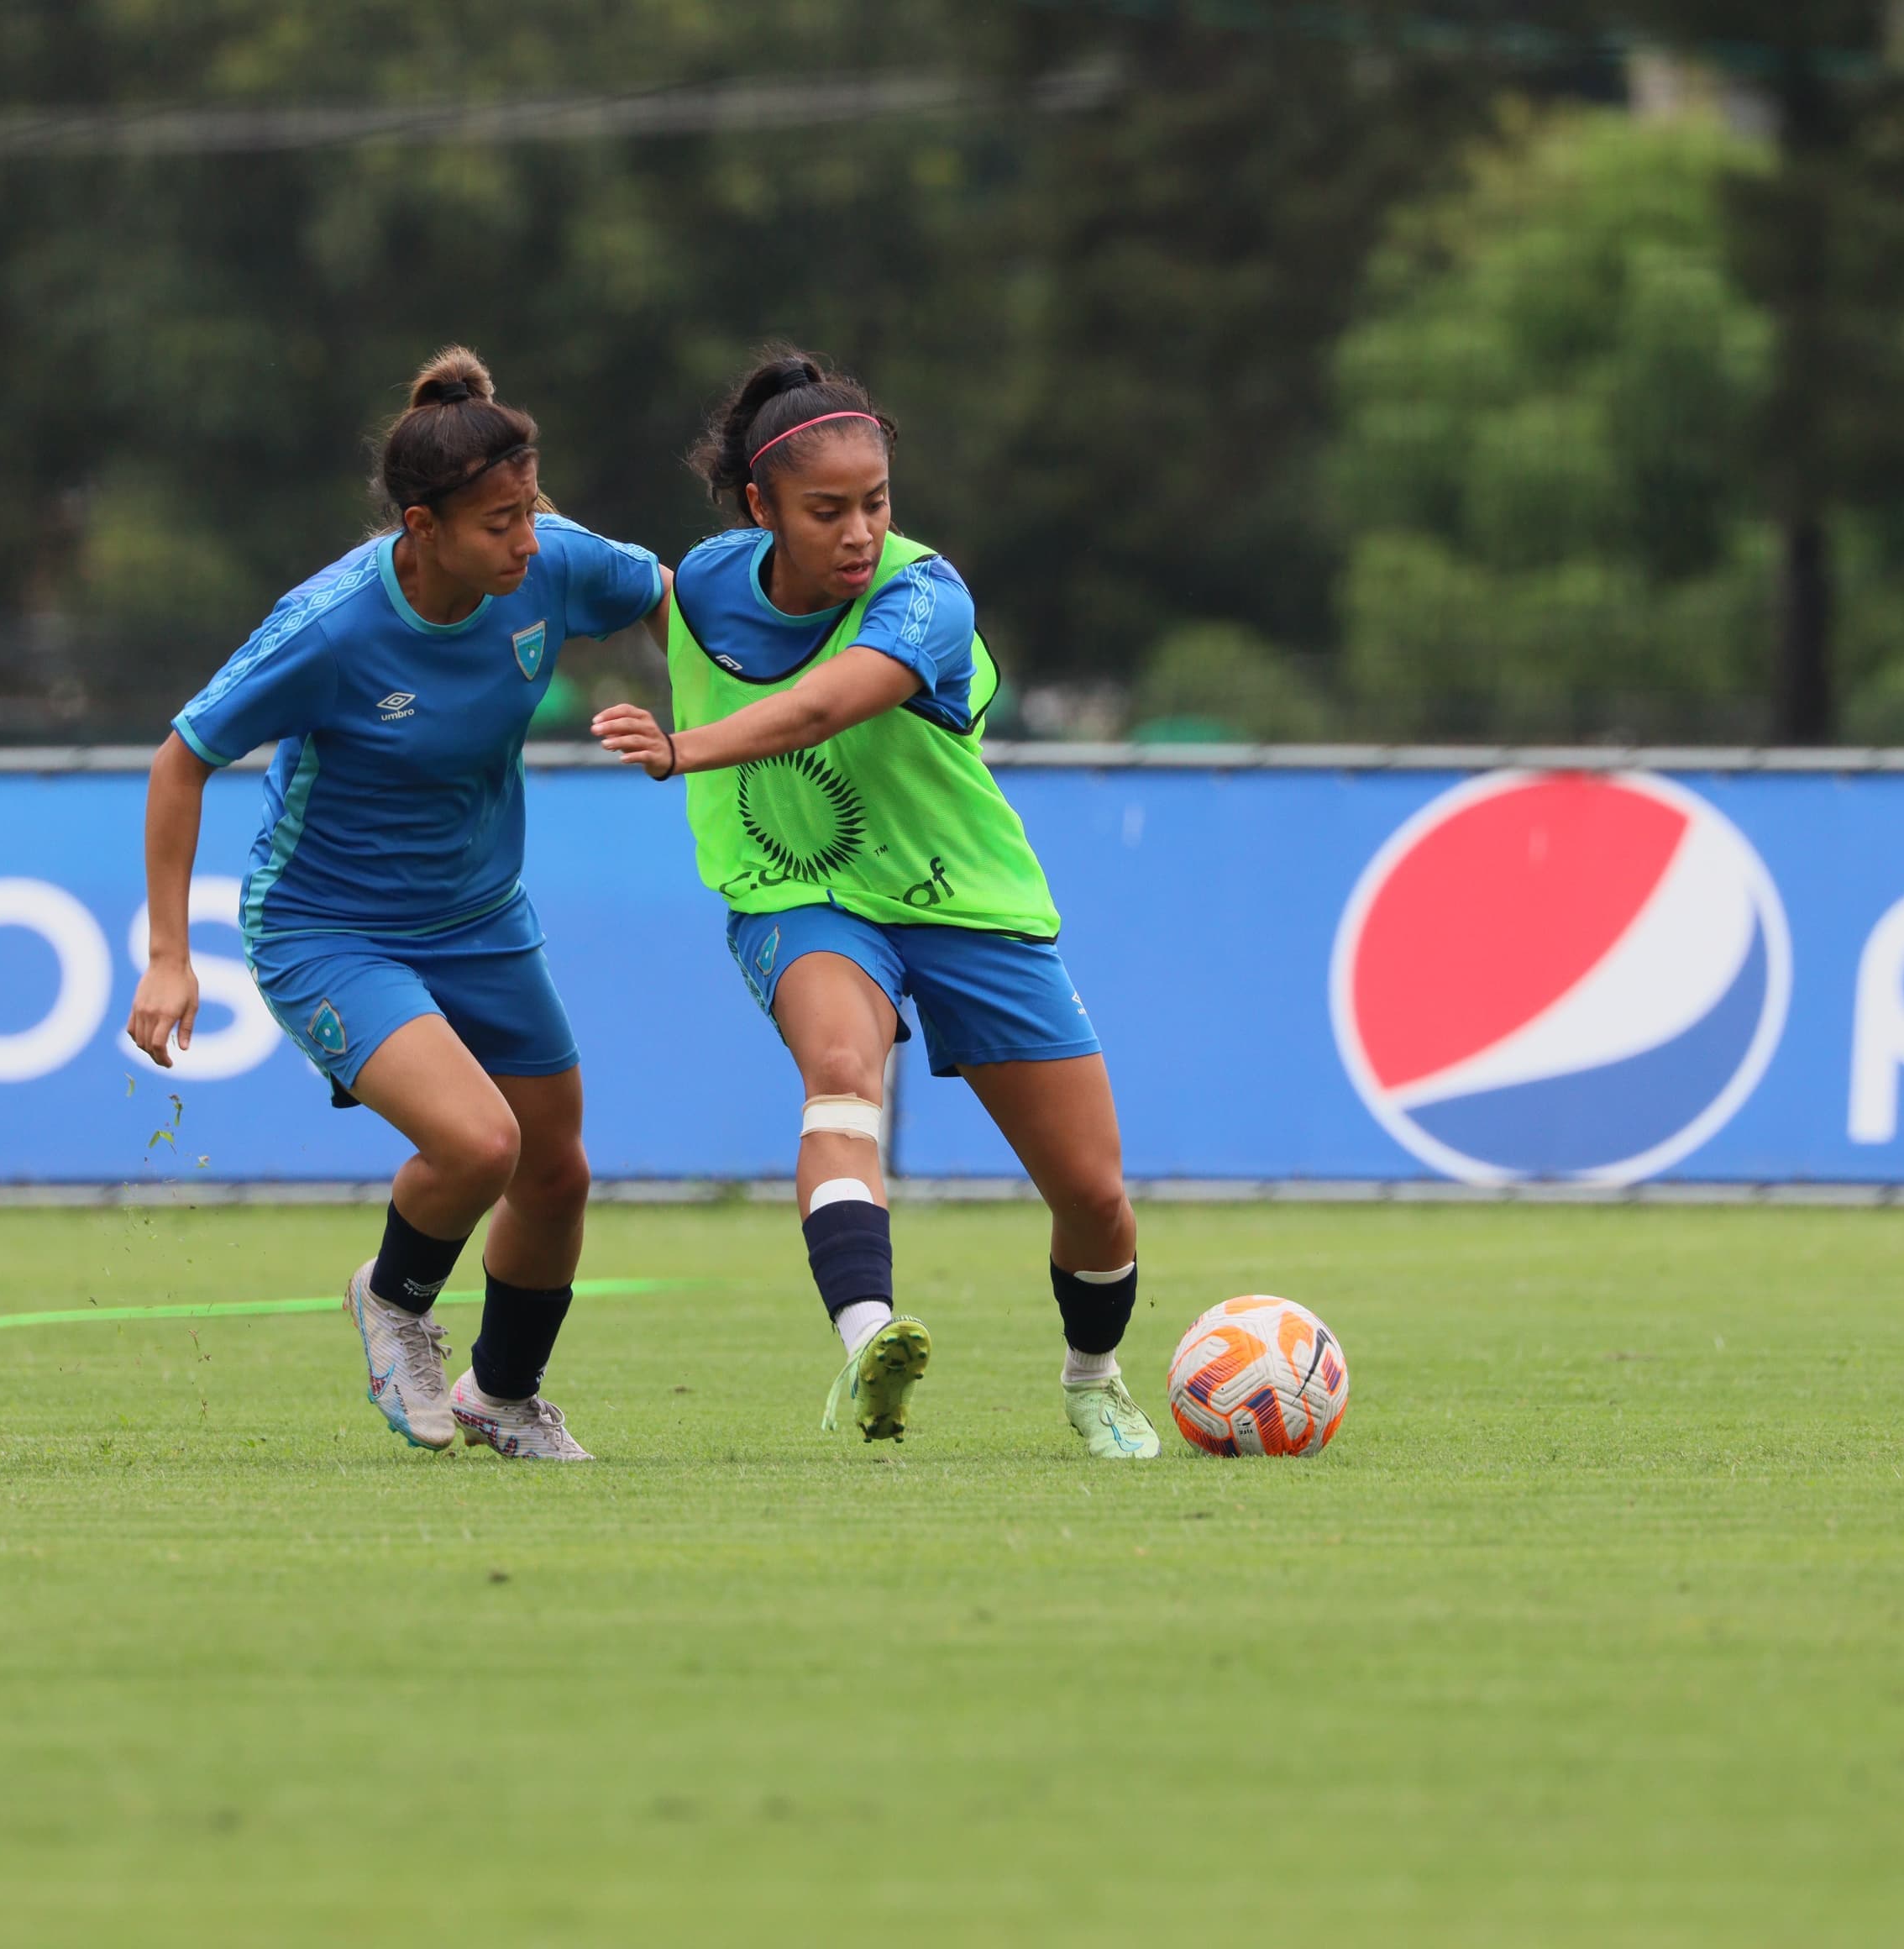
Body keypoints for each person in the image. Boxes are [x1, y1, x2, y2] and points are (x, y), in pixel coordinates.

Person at [591, 346, 1159, 1459]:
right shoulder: (705, 582)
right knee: (843, 1073)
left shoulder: (925, 595)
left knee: (1094, 1197)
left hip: (965, 900)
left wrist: (680, 749)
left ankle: (1093, 1378)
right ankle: (869, 1337)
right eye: (827, 511)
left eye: (876, 503)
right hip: (798, 895)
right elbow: (603, 577)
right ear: (762, 509)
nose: (860, 531)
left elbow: (816, 709)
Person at [129, 347, 668, 1463]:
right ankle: (394, 1299)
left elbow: (673, 602)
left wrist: (731, 730)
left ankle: (503, 1397)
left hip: (479, 915)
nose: (529, 540)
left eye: (531, 512)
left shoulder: (553, 566)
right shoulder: (329, 627)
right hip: (329, 930)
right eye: (500, 524)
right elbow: (182, 757)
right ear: (421, 530)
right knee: (479, 1144)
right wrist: (169, 954)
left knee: (556, 1169)